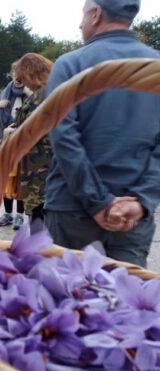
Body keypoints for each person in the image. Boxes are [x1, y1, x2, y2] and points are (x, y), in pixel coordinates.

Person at [45, 0, 160, 267]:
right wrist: (141, 202)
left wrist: (98, 203)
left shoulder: (70, 64)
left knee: (64, 300)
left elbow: (63, 138)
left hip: (73, 212)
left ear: (95, 14)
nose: (80, 23)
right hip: (132, 219)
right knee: (124, 302)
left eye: (83, 15)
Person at [2, 53, 54, 225]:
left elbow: (33, 132)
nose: (22, 82)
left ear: (32, 73)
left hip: (39, 174)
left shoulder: (42, 96)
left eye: (22, 77)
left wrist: (11, 134)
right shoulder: (50, 91)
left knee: (40, 230)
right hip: (42, 172)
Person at [0, 64, 28, 229]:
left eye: (21, 74)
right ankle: (8, 214)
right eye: (15, 74)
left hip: (25, 144)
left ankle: (19, 216)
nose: (17, 78)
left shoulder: (32, 95)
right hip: (4, 143)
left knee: (21, 180)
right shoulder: (4, 94)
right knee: (5, 180)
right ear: (11, 75)